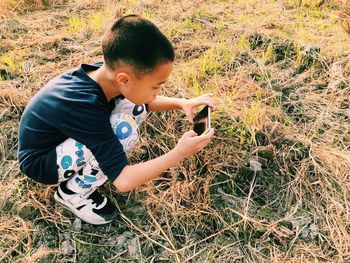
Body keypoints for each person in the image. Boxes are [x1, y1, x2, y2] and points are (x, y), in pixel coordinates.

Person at [18, 14, 215, 225]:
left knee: (133, 107)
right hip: (42, 162)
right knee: (124, 130)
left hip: (61, 139)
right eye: (156, 86)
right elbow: (123, 180)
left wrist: (182, 102)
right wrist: (179, 153)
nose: (158, 91)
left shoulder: (105, 74)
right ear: (124, 79)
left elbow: (143, 102)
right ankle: (72, 193)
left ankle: (86, 172)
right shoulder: (85, 106)